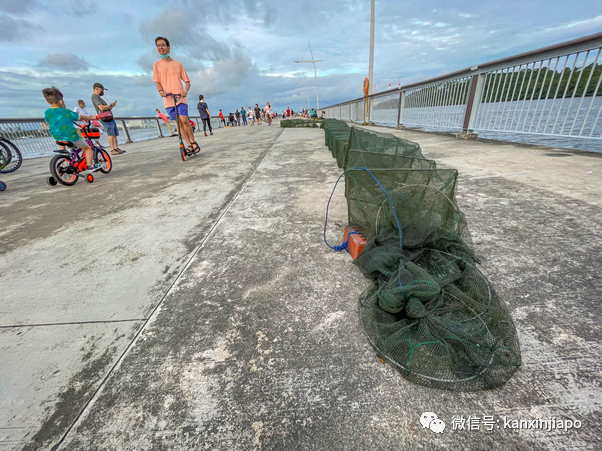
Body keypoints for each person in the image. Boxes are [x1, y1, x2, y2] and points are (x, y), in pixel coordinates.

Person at [153, 36, 200, 154]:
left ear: (168, 47)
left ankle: (193, 142)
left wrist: (185, 91)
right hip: (168, 99)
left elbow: (187, 81)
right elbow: (157, 82)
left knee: (184, 119)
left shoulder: (178, 64)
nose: (160, 48)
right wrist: (161, 92)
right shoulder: (156, 65)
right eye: (158, 45)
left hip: (180, 97)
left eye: (163, 45)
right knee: (178, 124)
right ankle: (188, 145)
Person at [43, 86, 100, 172]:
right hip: (71, 135)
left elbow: (47, 120)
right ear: (61, 100)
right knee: (88, 148)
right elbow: (80, 116)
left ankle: (63, 153)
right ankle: (90, 166)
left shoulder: (47, 112)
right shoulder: (66, 111)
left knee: (63, 141)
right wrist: (93, 118)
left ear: (47, 102)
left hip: (57, 136)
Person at [91, 82, 124, 155]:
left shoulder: (99, 98)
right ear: (96, 89)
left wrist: (111, 106)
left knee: (114, 133)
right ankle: (112, 149)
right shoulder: (95, 97)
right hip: (105, 118)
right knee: (111, 134)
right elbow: (101, 107)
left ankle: (116, 147)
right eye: (101, 90)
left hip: (109, 117)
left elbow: (106, 108)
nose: (102, 91)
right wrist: (110, 105)